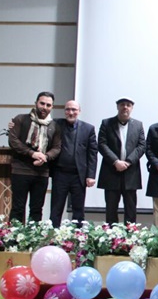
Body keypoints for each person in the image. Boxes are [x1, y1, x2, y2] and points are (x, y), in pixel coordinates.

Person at [8, 91, 62, 223]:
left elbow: (57, 147)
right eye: (42, 103)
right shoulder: (21, 119)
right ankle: (14, 235)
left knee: (37, 209)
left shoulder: (54, 126)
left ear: (52, 107)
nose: (44, 107)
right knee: (18, 208)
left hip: (41, 173)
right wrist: (32, 153)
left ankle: (34, 235)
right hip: (20, 170)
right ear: (36, 103)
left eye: (48, 105)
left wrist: (45, 157)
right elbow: (13, 141)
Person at [97, 97, 146, 224]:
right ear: (117, 107)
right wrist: (116, 161)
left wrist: (128, 162)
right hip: (111, 171)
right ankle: (112, 234)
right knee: (111, 208)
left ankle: (130, 234)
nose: (125, 107)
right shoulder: (106, 123)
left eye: (128, 105)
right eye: (122, 104)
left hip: (131, 173)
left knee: (131, 208)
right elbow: (102, 144)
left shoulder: (138, 125)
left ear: (132, 108)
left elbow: (141, 146)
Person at [49, 100, 97, 227]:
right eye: (68, 109)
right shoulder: (55, 124)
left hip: (78, 175)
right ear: (64, 111)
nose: (71, 112)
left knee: (78, 210)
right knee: (56, 208)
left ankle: (77, 236)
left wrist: (91, 175)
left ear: (79, 111)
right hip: (60, 173)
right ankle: (53, 233)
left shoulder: (88, 129)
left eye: (74, 110)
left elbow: (92, 153)